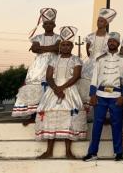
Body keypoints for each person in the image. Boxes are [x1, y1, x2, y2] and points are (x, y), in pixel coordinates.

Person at [35, 26, 86, 159]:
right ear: (60, 46)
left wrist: (61, 88)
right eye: (63, 44)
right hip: (53, 91)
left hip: (70, 90)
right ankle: (48, 151)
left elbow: (76, 76)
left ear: (72, 46)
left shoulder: (76, 60)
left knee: (69, 119)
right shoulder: (53, 59)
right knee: (50, 118)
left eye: (68, 45)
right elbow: (48, 76)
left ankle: (68, 151)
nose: (65, 47)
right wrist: (56, 89)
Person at [82, 32, 123, 162]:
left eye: (114, 41)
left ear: (118, 44)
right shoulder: (100, 59)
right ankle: (92, 153)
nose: (112, 43)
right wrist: (92, 94)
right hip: (100, 95)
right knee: (97, 124)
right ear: (107, 43)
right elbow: (94, 78)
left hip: (116, 95)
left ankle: (118, 152)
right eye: (110, 41)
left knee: (117, 124)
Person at [12, 8, 61, 125]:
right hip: (38, 66)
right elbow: (35, 49)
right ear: (43, 25)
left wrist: (42, 48)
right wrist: (51, 47)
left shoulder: (59, 37)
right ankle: (33, 115)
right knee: (35, 87)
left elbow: (57, 48)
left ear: (54, 25)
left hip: (55, 63)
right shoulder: (37, 37)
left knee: (55, 86)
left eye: (50, 23)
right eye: (46, 23)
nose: (48, 25)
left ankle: (52, 114)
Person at [79, 8, 117, 104]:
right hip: (90, 64)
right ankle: (88, 109)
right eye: (98, 20)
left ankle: (103, 104)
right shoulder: (90, 36)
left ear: (106, 24)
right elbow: (88, 52)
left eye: (101, 21)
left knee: (104, 85)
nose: (99, 22)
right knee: (86, 83)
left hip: (104, 65)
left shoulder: (109, 37)